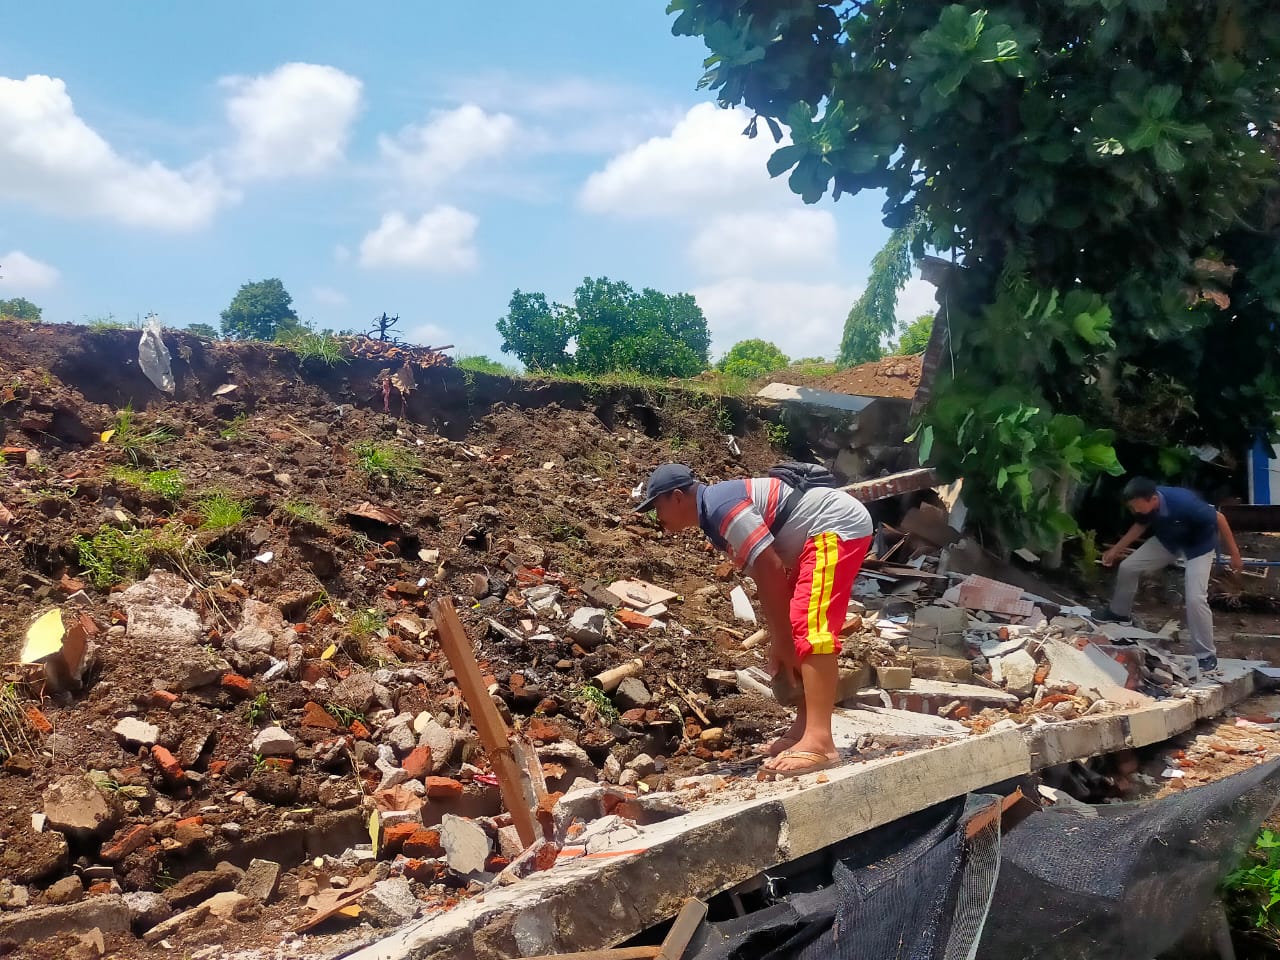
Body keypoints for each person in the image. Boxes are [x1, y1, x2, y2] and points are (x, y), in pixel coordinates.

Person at [635, 463, 873, 776]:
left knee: (809, 623)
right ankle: (803, 730)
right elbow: (768, 577)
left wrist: (783, 638)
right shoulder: (713, 515)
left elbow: (771, 569)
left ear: (677, 497)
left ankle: (820, 742)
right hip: (817, 535)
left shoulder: (722, 507)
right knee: (796, 622)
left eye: (657, 507)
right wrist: (779, 639)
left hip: (837, 526)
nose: (658, 518)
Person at [1093, 476, 1243, 672]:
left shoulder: (1185, 504)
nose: (1135, 510)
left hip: (1199, 547)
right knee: (1128, 567)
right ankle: (1119, 614)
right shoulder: (1144, 502)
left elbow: (1220, 519)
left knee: (1195, 598)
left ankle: (1206, 654)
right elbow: (1140, 524)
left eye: (1137, 506)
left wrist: (1235, 555)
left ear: (1153, 499)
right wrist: (1117, 549)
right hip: (1169, 541)